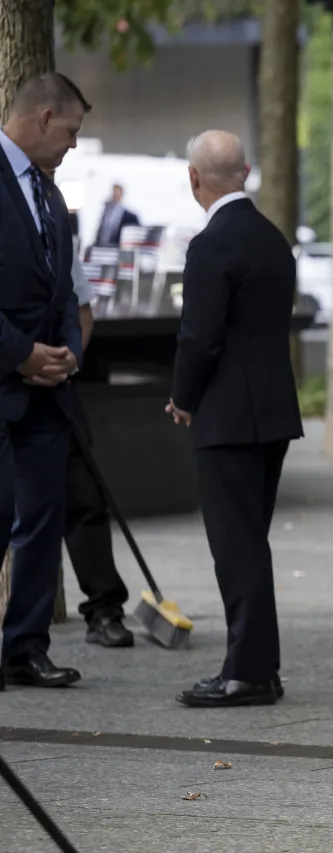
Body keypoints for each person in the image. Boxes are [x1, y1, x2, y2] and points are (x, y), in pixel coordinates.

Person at [170, 130, 303, 708]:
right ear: (245, 172)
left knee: (236, 547)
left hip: (227, 418)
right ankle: (259, 667)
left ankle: (247, 672)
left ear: (194, 179)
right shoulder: (273, 238)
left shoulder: (212, 243)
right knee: (252, 542)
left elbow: (200, 336)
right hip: (273, 413)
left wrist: (183, 396)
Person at [0, 73, 90, 690]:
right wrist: (19, 355)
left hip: (46, 394)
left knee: (42, 519)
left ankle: (25, 647)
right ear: (44, 117)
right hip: (3, 383)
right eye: (72, 132)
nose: (75, 145)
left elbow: (65, 290)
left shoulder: (51, 195)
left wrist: (66, 353)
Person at [64, 207, 135, 648]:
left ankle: (104, 607)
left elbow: (82, 310)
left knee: (84, 496)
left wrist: (69, 358)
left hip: (57, 384)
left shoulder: (51, 216)